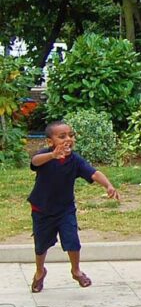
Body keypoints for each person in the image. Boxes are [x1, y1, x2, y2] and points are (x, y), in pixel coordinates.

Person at [28, 120, 120, 293]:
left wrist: (108, 185)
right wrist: (52, 156)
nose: (68, 139)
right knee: (41, 245)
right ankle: (40, 272)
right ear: (50, 142)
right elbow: (35, 161)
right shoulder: (45, 156)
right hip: (42, 209)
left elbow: (93, 172)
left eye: (70, 135)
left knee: (72, 241)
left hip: (65, 210)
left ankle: (76, 270)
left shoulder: (75, 160)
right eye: (62, 136)